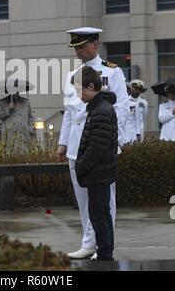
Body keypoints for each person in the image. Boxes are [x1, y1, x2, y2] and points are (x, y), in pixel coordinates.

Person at [57, 27, 129, 259]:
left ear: (95, 44)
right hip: (78, 144)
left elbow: (121, 108)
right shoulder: (73, 75)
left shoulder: (112, 71)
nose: (78, 51)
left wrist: (115, 141)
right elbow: (69, 112)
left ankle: (103, 245)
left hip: (100, 143)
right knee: (83, 199)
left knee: (103, 201)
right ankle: (89, 244)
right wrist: (63, 142)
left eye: (81, 46)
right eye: (75, 47)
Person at [75, 66, 117, 261]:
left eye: (79, 90)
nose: (78, 94)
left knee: (98, 213)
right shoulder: (98, 107)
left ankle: (105, 253)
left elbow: (97, 147)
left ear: (91, 86)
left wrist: (80, 166)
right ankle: (105, 250)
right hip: (100, 171)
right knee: (102, 212)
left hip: (98, 171)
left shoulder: (100, 110)